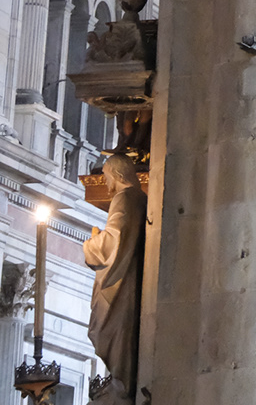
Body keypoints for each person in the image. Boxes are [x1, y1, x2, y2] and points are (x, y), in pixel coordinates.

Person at [83, 154, 145, 405]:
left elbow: (114, 240)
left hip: (120, 280)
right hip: (127, 275)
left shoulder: (124, 197)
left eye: (107, 176)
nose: (105, 183)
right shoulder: (138, 198)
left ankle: (121, 384)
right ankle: (121, 381)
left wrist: (91, 243)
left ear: (117, 175)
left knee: (114, 328)